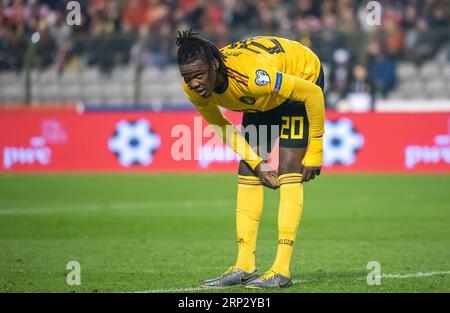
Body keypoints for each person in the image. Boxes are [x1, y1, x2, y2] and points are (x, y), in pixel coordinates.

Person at [175, 27, 325, 289]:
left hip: (300, 76)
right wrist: (258, 163)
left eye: (199, 75)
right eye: (188, 79)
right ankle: (244, 265)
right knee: (248, 169)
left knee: (289, 169)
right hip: (260, 100)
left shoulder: (255, 77)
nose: (195, 84)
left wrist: (316, 151)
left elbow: (313, 94)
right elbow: (221, 125)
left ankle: (281, 271)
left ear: (214, 66)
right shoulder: (193, 88)